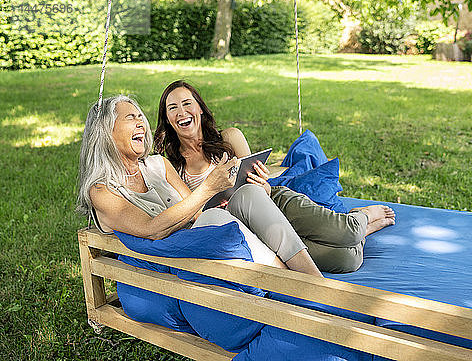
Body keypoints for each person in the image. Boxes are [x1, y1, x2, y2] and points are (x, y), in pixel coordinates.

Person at [154, 80, 395, 273]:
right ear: (167, 119)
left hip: (274, 202)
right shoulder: (173, 167)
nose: (182, 112)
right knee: (345, 260)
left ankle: (361, 217)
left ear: (199, 108)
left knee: (347, 232)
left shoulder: (229, 138)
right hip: (245, 228)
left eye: (187, 103)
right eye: (172, 108)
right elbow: (192, 215)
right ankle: (365, 232)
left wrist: (262, 184)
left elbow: (261, 187)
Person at [76, 95, 322, 277]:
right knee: (214, 217)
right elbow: (152, 230)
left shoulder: (157, 165)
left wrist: (225, 193)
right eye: (131, 117)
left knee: (247, 194)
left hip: (203, 233)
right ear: (105, 131)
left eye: (141, 116)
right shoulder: (102, 191)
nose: (141, 123)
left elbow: (197, 211)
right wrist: (209, 188)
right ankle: (289, 281)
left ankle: (313, 279)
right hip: (180, 257)